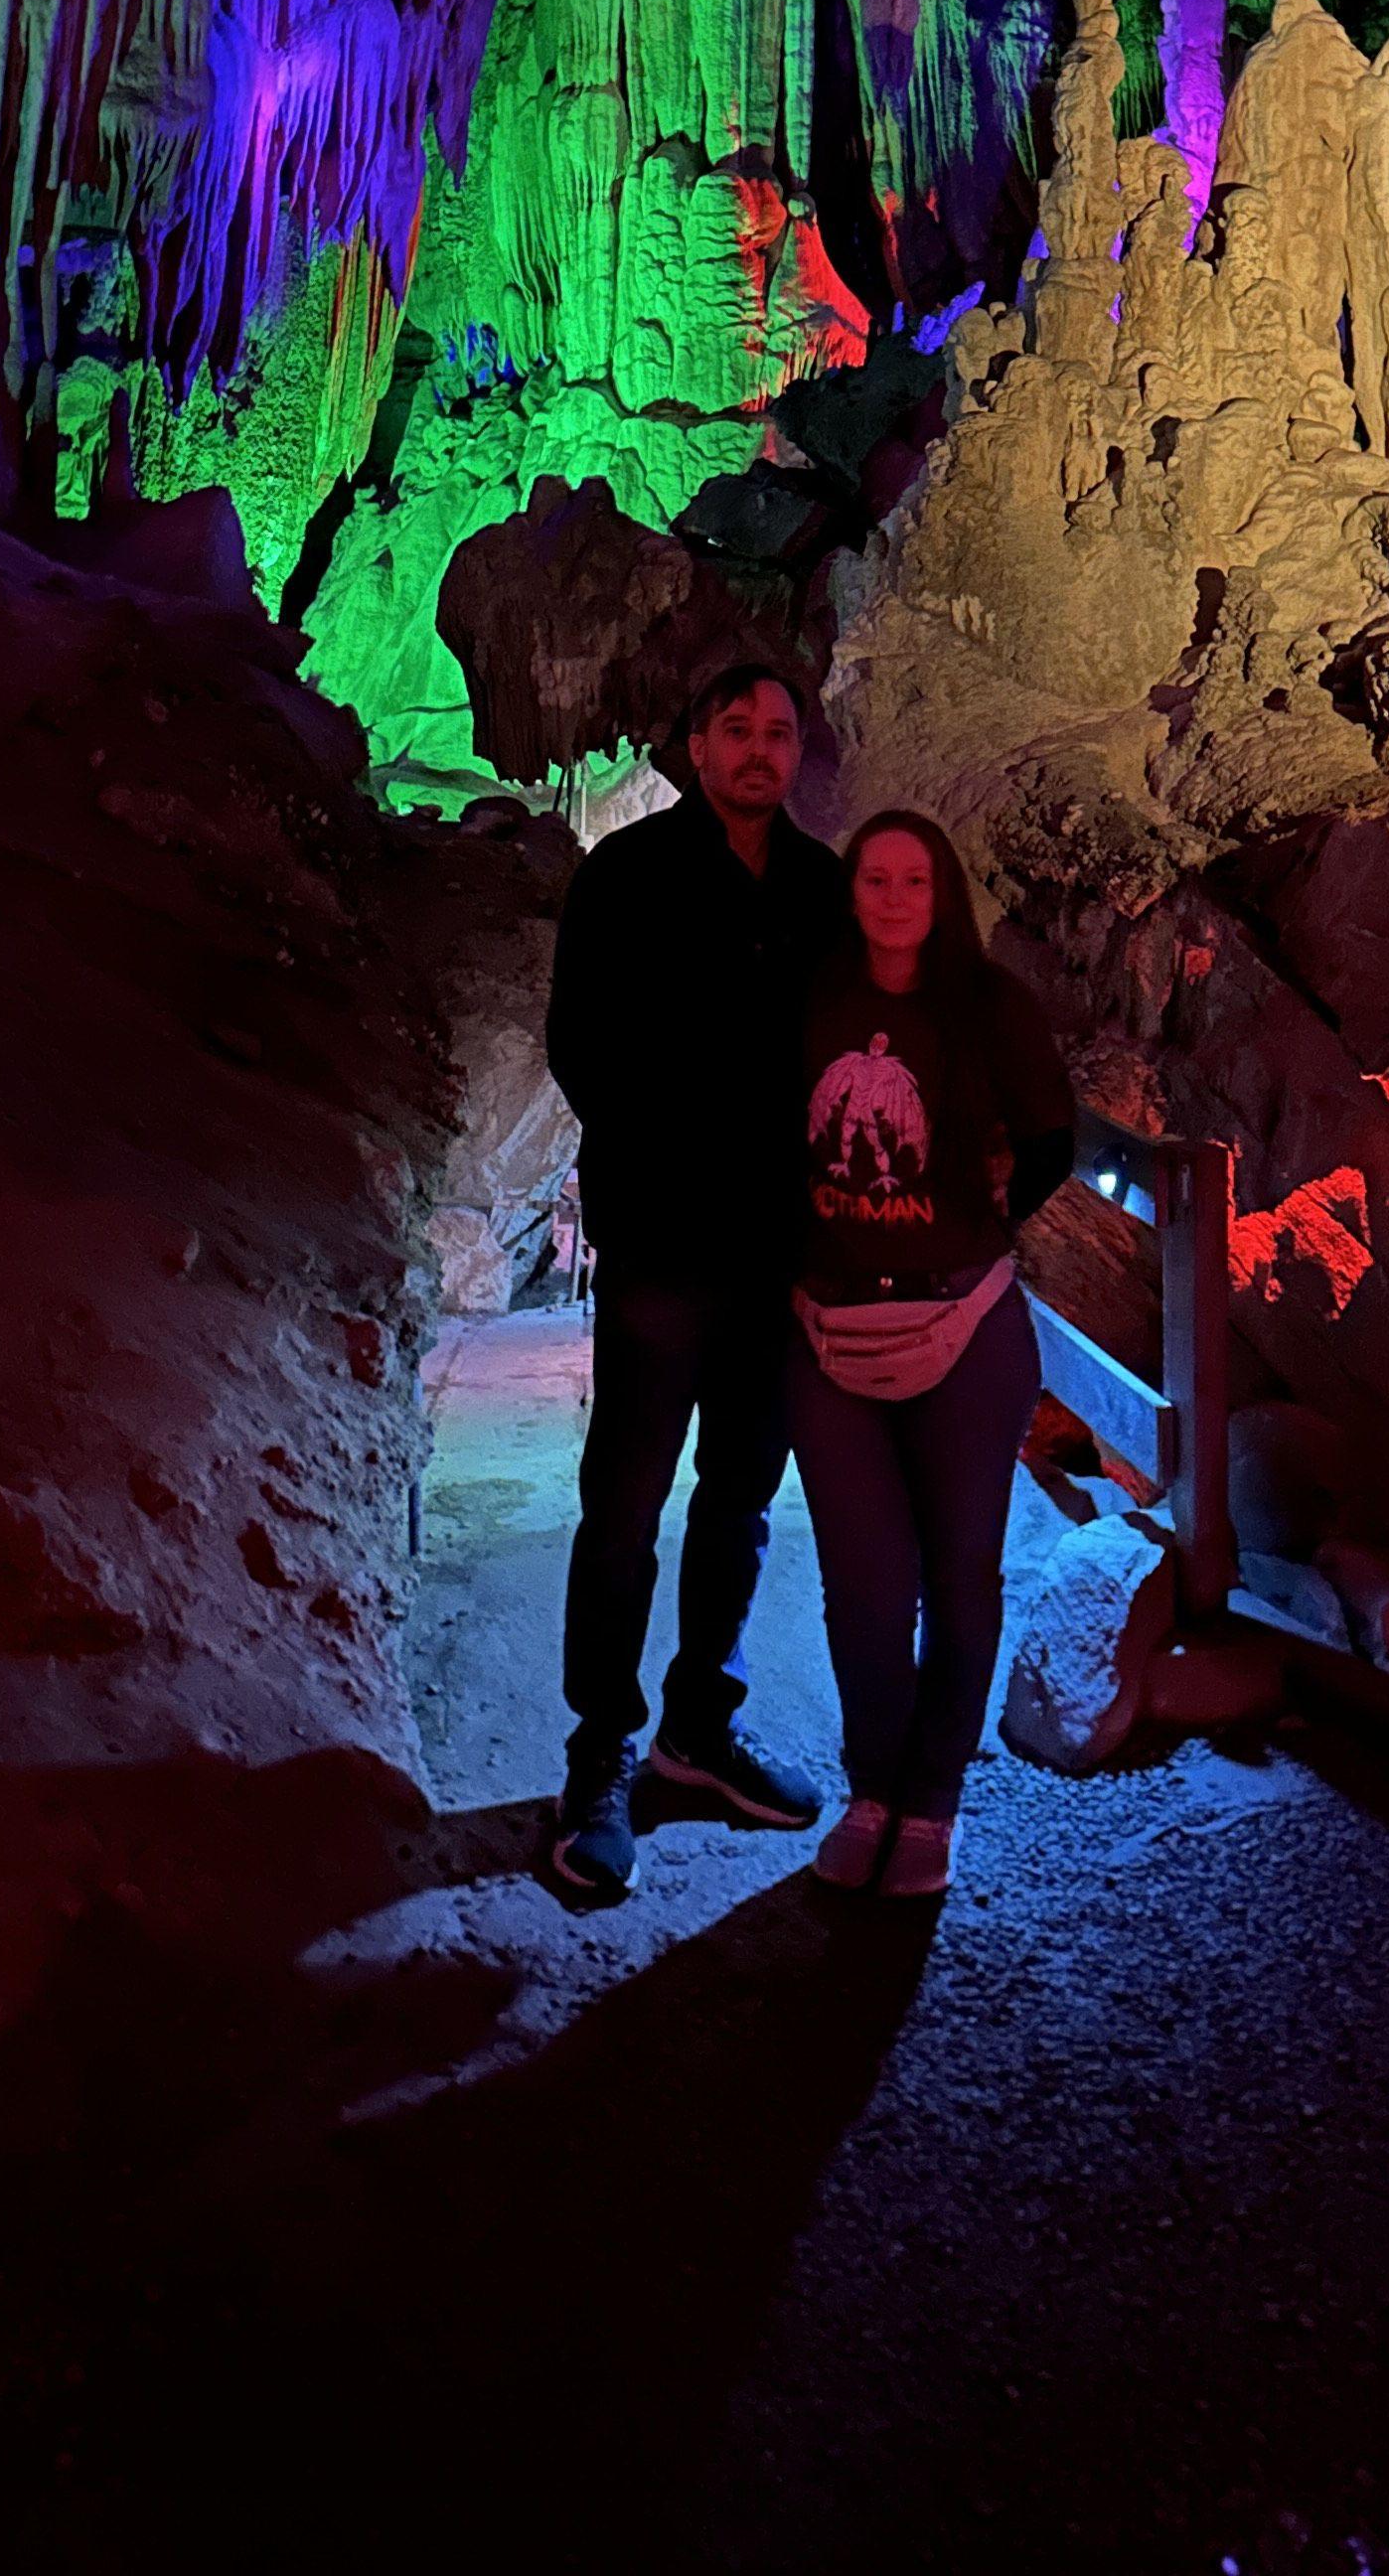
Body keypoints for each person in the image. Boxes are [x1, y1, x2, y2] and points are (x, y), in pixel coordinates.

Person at [536, 662, 846, 1903]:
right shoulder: (628, 876)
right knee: (625, 1504)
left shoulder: (822, 889)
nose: (761, 750)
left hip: (779, 1251)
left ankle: (696, 1727)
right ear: (696, 747)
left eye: (779, 732)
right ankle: (599, 1753)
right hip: (667, 1241)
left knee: (739, 1502)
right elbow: (583, 1043)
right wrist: (660, 1154)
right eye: (738, 731)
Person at [783, 809, 1074, 1903]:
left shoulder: (989, 1003)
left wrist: (991, 1218)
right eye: (875, 879)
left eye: (914, 880)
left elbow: (1052, 1137)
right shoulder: (813, 999)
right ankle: (874, 1788)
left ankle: (933, 1799)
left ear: (941, 892)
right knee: (864, 1586)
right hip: (828, 1326)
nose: (894, 898)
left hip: (963, 1324)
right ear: (851, 890)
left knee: (958, 1577)